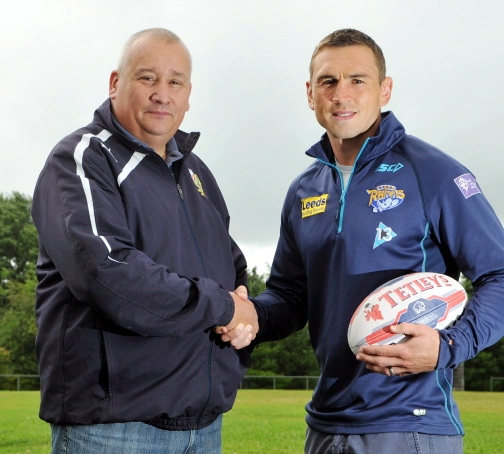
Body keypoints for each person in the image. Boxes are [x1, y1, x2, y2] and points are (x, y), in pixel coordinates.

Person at [222, 28, 504, 453]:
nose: (341, 94)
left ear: (384, 90)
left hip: (412, 424)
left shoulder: (434, 173)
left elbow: (500, 275)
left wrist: (449, 345)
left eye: (358, 80)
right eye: (328, 81)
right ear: (310, 93)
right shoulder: (304, 190)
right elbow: (289, 296)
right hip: (325, 423)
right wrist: (247, 313)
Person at [31, 28, 257, 454]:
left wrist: (245, 314)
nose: (162, 94)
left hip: (203, 427)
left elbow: (231, 266)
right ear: (116, 83)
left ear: (189, 95)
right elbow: (106, 272)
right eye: (147, 78)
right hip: (116, 428)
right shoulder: (83, 157)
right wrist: (226, 306)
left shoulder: (196, 173)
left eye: (175, 82)